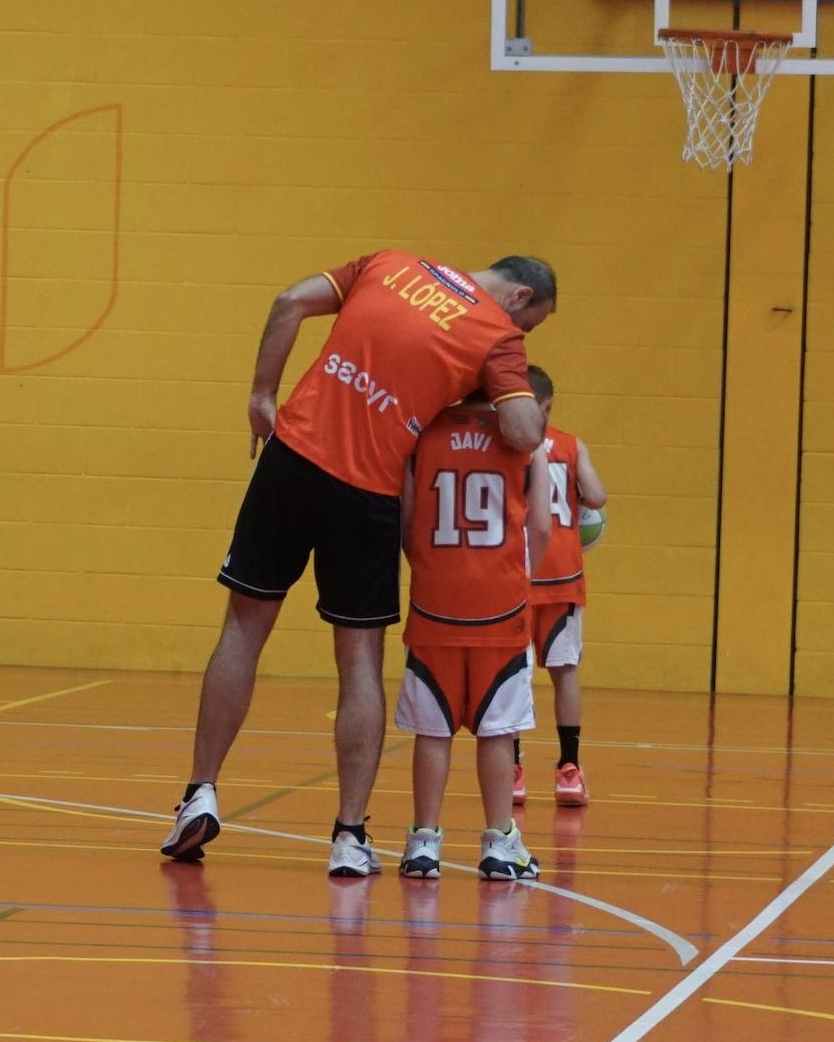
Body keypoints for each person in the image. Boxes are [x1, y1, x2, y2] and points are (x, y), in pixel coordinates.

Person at [159, 252, 556, 872]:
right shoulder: (497, 334)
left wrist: (263, 395)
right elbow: (526, 431)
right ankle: (349, 835)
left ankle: (198, 793)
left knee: (242, 628)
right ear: (521, 299)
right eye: (532, 326)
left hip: (292, 455)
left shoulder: (389, 263)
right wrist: (499, 380)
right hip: (367, 489)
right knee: (359, 657)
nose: (523, 338)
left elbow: (289, 300)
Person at [394, 391, 551, 880]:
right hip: (500, 605)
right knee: (498, 730)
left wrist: (431, 568)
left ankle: (424, 842)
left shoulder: (424, 428)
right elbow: (541, 527)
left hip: (435, 601)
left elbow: (406, 518)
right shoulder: (524, 436)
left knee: (433, 729)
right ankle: (500, 843)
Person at [514, 364, 606, 806]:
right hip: (563, 575)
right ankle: (568, 768)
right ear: (550, 404)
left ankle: (512, 768)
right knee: (564, 671)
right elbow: (597, 496)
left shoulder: (508, 444)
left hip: (515, 574)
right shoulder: (570, 446)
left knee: (515, 674)